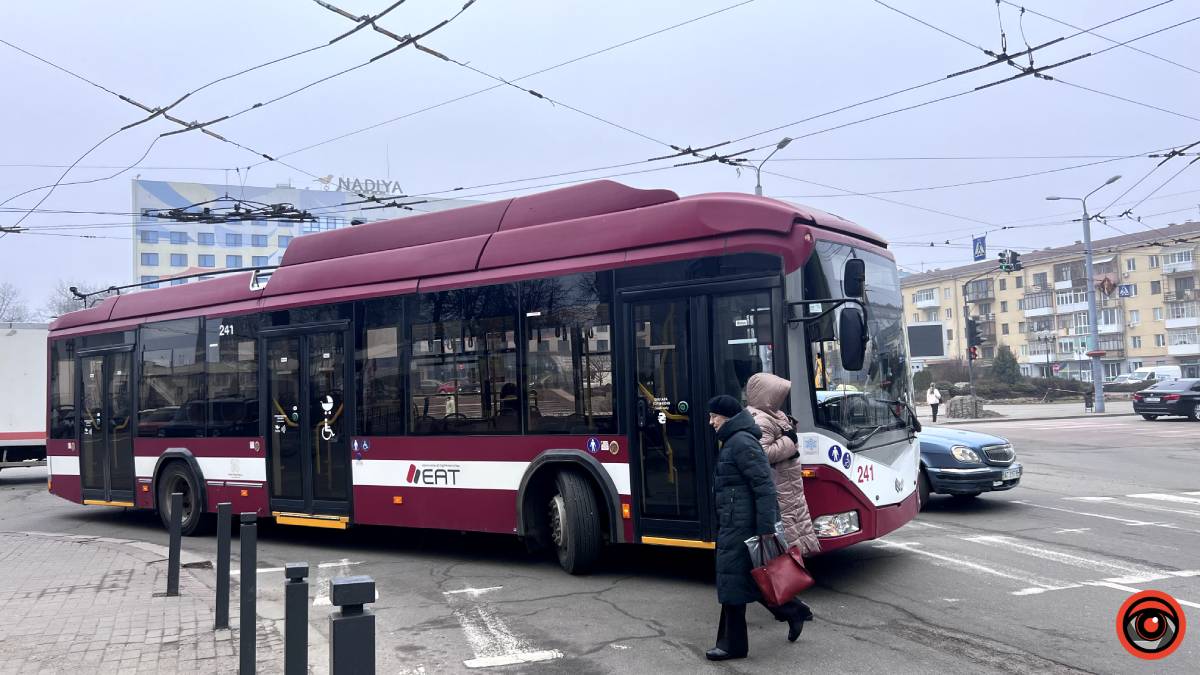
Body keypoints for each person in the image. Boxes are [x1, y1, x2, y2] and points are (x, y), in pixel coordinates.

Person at [706, 395, 811, 661]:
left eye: (713, 416)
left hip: (743, 525)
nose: (710, 422)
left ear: (725, 417)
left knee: (732, 582)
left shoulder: (741, 442)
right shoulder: (733, 441)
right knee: (746, 580)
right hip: (735, 521)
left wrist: (766, 529)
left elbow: (764, 487)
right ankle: (793, 611)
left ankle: (733, 646)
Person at [745, 373, 819, 626]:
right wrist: (789, 440)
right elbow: (762, 454)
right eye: (777, 394)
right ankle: (789, 604)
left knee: (784, 548)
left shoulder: (774, 415)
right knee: (778, 550)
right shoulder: (759, 419)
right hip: (778, 489)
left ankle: (788, 602)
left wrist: (788, 435)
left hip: (787, 487)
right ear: (766, 395)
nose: (781, 399)